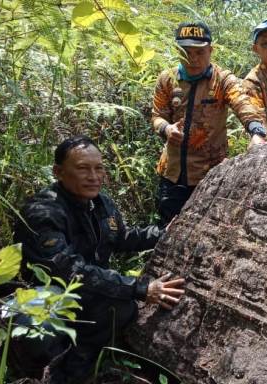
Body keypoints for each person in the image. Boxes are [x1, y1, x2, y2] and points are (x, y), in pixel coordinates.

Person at [12, 136, 185, 383]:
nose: (93, 176)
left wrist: (162, 234)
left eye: (99, 168)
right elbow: (69, 270)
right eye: (83, 168)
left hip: (82, 291)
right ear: (58, 172)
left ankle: (77, 368)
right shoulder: (43, 212)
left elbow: (121, 237)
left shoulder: (101, 203)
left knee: (121, 309)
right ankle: (35, 374)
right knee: (41, 322)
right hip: (38, 294)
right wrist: (139, 287)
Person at [151, 21, 267, 226]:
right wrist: (166, 128)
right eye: (186, 52)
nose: (193, 59)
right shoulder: (167, 79)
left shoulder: (222, 80)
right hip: (172, 173)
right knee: (167, 231)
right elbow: (157, 115)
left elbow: (243, 104)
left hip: (210, 176)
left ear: (210, 51)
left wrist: (256, 132)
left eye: (199, 52)